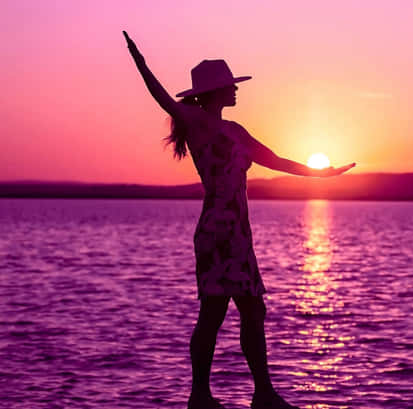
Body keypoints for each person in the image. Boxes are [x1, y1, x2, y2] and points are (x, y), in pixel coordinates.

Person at [124, 31, 354, 409]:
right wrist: (140, 61)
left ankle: (262, 394)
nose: (236, 91)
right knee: (213, 313)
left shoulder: (236, 131)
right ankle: (200, 396)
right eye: (230, 86)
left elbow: (277, 160)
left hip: (239, 234)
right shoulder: (195, 121)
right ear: (214, 91)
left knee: (253, 310)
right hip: (216, 231)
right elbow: (160, 95)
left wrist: (322, 175)